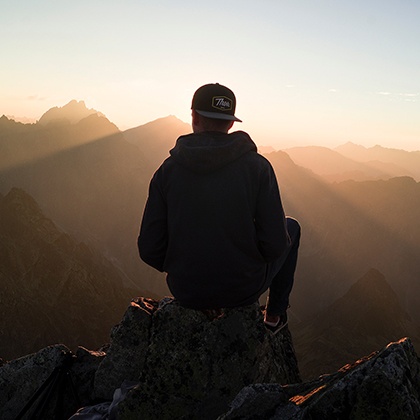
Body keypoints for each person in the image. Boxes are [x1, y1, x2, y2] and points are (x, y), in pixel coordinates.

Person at [138, 83, 300, 333]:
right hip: (242, 289)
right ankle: (273, 317)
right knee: (292, 227)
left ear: (194, 117)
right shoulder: (258, 169)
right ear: (231, 123)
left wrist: (186, 267)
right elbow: (276, 244)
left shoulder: (167, 171)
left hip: (186, 289)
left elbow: (149, 249)